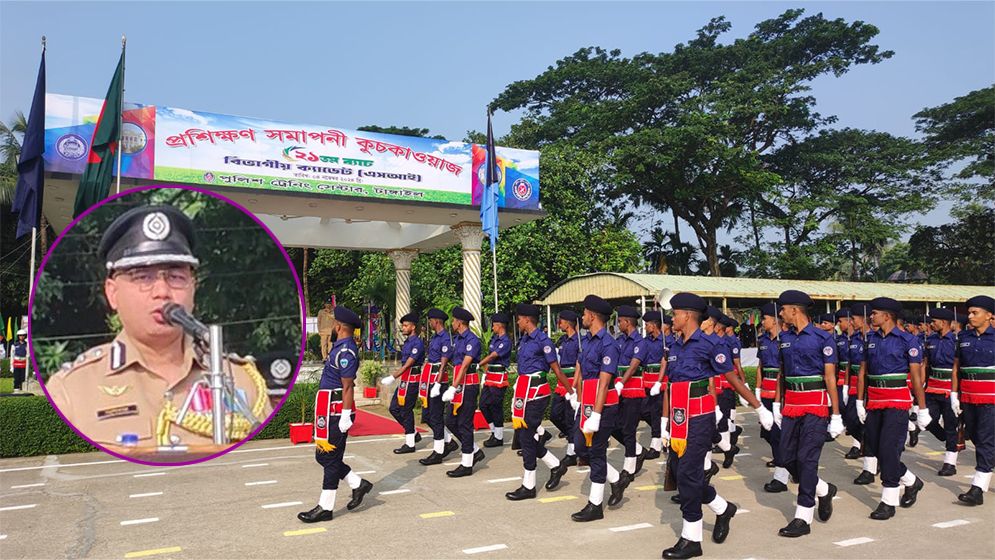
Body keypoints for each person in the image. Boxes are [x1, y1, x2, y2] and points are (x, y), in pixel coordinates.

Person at [45, 205, 272, 449]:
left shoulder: (238, 378)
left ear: (192, 289)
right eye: (143, 277)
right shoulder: (71, 391)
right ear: (112, 293)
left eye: (175, 277)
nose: (162, 292)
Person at [661, 292, 774, 559]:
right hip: (678, 420)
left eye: (675, 314)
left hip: (699, 418)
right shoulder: (675, 346)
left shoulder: (710, 345)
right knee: (682, 474)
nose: (672, 318)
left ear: (687, 315)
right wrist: (665, 422)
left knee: (689, 476)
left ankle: (691, 539)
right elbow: (671, 386)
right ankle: (723, 508)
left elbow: (732, 378)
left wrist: (758, 407)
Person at [772, 290, 841, 537]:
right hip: (791, 403)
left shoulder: (823, 338)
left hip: (816, 403)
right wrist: (777, 404)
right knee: (786, 457)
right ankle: (823, 489)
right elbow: (781, 371)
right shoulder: (784, 338)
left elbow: (830, 377)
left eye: (783, 309)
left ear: (795, 310)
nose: (780, 313)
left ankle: (803, 516)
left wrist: (836, 414)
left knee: (807, 459)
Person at [856, 297, 930, 520]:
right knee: (876, 449)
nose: (871, 316)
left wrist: (922, 407)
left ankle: (888, 501)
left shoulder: (908, 340)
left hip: (897, 401)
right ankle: (911, 481)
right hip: (875, 401)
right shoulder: (870, 339)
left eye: (875, 312)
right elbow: (862, 372)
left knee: (889, 449)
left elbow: (916, 377)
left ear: (887, 316)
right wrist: (860, 401)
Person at [298, 305, 373, 523]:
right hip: (326, 408)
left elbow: (348, 386)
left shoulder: (346, 351)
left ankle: (325, 507)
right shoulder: (339, 347)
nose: (331, 326)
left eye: (333, 324)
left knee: (330, 459)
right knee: (323, 456)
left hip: (336, 411)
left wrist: (346, 414)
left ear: (339, 327)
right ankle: (358, 484)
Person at [505, 303, 570, 500]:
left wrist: (572, 392)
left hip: (537, 392)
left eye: (519, 318)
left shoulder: (543, 340)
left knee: (526, 437)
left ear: (526, 319)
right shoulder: (524, 339)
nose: (517, 322)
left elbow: (556, 369)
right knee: (526, 435)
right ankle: (556, 466)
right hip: (523, 391)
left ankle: (529, 485)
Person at [571, 295, 624, 521]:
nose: (582, 317)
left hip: (604, 404)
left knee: (596, 451)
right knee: (580, 447)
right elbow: (583, 373)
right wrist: (579, 400)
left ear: (592, 316)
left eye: (584, 313)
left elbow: (604, 382)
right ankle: (617, 480)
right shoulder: (589, 341)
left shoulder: (608, 344)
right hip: (589, 403)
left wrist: (597, 414)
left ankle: (595, 505)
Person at [952, 295, 995, 506]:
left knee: (985, 439)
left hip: (991, 397)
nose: (970, 316)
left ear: (989, 315)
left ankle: (977, 489)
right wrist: (954, 394)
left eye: (974, 312)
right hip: (968, 396)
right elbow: (957, 368)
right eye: (969, 312)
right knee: (976, 437)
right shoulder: (963, 337)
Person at [441, 307, 484, 477]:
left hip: (469, 385)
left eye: (453, 320)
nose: (452, 323)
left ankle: (467, 464)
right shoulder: (458, 339)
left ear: (459, 322)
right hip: (459, 386)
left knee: (464, 423)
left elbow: (465, 365)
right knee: (450, 421)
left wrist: (452, 388)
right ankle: (474, 450)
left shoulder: (472, 340)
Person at [612, 305, 648, 490]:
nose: (618, 324)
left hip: (633, 390)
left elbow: (634, 366)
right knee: (613, 426)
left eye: (620, 321)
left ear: (628, 322)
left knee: (628, 429)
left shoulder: (640, 342)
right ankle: (639, 450)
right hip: (619, 390)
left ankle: (629, 468)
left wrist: (621, 383)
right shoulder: (619, 341)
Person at [418, 308, 459, 465]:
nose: (429, 323)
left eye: (430, 320)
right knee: (427, 415)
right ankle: (449, 441)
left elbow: (443, 362)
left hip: (437, 380)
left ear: (436, 321)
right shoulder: (435, 337)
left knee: (435, 415)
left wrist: (437, 383)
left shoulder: (445, 338)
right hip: (429, 378)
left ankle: (438, 451)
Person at [381, 312, 425, 454]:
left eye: (406, 326)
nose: (403, 328)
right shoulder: (407, 342)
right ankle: (412, 432)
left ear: (413, 327)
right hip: (405, 381)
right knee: (394, 408)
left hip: (412, 380)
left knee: (406, 410)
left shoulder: (417, 343)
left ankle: (410, 443)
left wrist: (392, 377)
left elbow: (408, 365)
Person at [923, 307, 959, 475]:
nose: (931, 324)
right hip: (932, 386)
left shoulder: (956, 340)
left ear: (943, 322)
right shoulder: (931, 340)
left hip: (949, 387)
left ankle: (950, 463)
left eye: (934, 321)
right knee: (927, 420)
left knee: (951, 425)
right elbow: (926, 363)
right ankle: (943, 436)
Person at [756, 303, 788, 492]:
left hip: (780, 394)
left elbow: (782, 372)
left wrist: (778, 397)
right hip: (766, 392)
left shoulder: (784, 340)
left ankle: (781, 475)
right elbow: (760, 367)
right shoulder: (763, 341)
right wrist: (757, 389)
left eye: (765, 318)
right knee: (767, 433)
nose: (762, 321)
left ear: (775, 320)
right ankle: (788, 464)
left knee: (778, 435)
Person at [702, 307, 737, 469]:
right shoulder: (702, 341)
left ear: (711, 324)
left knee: (719, 423)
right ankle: (728, 449)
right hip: (706, 389)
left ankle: (723, 451)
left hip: (719, 389)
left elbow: (729, 370)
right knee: (707, 427)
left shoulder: (720, 344)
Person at [478, 312, 513, 447]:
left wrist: (479, 364)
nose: (492, 328)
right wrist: (485, 370)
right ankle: (494, 431)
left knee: (495, 406)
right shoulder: (494, 339)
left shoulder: (505, 341)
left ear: (500, 326)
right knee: (483, 405)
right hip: (490, 376)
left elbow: (493, 356)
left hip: (499, 378)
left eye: (493, 325)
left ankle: (498, 436)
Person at [551, 310, 580, 467]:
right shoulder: (562, 340)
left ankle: (572, 452)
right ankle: (574, 439)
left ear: (568, 323)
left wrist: (574, 387)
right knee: (555, 415)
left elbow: (579, 364)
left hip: (572, 381)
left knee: (570, 417)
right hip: (562, 381)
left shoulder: (578, 341)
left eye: (561, 321)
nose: (559, 324)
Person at [639, 310, 668, 460]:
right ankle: (664, 430)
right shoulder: (645, 341)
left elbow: (666, 361)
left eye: (647, 325)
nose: (645, 327)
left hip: (660, 381)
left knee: (656, 412)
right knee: (644, 411)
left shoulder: (665, 341)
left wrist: (659, 381)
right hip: (647, 380)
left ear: (654, 325)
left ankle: (656, 445)